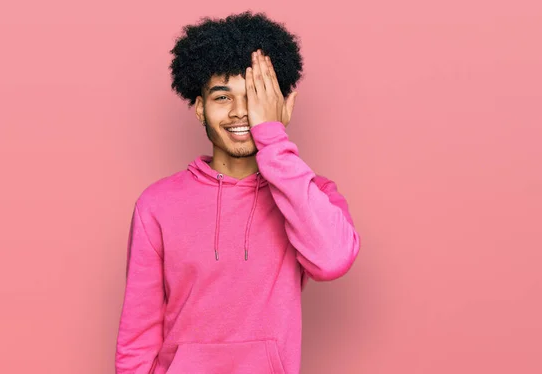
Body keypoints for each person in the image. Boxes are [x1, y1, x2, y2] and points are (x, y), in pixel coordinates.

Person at [115, 11, 361, 374]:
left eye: (254, 97)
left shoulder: (309, 194)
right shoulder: (156, 205)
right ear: (200, 108)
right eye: (222, 97)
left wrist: (273, 138)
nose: (240, 112)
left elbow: (333, 260)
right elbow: (137, 338)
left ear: (283, 105)